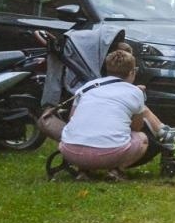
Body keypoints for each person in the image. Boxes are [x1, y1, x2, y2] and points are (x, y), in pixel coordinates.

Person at [55, 49, 166, 179]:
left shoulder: (88, 86)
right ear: (132, 72)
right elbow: (136, 127)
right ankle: (116, 170)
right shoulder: (135, 92)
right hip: (109, 154)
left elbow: (71, 118)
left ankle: (83, 171)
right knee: (142, 139)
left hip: (70, 151)